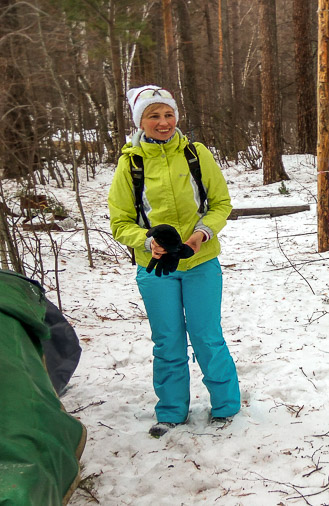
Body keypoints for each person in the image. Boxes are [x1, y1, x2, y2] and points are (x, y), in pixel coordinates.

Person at [108, 85, 240, 438]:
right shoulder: (130, 164)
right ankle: (171, 412)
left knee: (207, 336)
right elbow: (119, 222)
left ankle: (226, 406)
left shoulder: (196, 155)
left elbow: (221, 204)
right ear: (140, 121)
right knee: (167, 341)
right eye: (154, 115)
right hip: (155, 269)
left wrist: (202, 234)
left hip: (201, 263)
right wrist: (147, 241)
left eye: (168, 114)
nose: (163, 122)